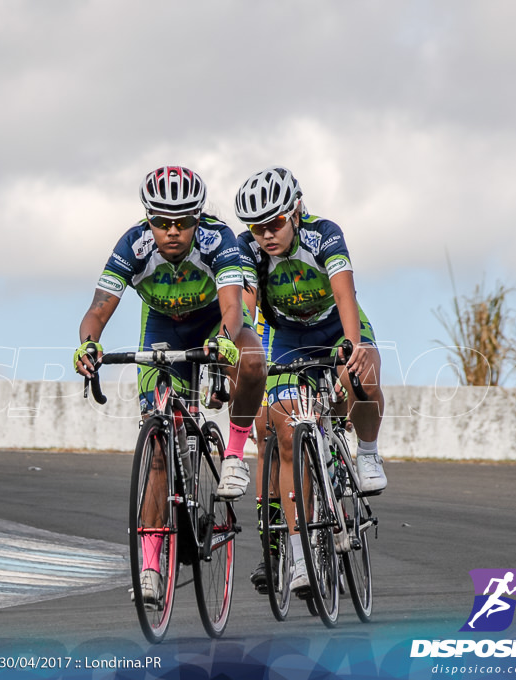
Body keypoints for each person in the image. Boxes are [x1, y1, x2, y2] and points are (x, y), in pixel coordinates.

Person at [74, 165, 266, 607]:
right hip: (162, 328)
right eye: (162, 222)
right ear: (148, 219)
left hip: (214, 320)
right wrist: (88, 345)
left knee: (251, 357)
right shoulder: (134, 244)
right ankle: (148, 568)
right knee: (158, 450)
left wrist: (222, 339)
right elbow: (98, 309)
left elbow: (235, 308)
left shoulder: (218, 239)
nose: (173, 231)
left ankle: (234, 453)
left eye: (183, 221)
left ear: (199, 217)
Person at [233, 166, 386, 596]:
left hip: (336, 326)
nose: (266, 234)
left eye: (275, 223)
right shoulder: (248, 250)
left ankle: (368, 453)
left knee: (363, 373)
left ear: (296, 212)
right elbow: (246, 308)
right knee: (284, 433)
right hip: (289, 339)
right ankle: (297, 558)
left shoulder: (325, 234)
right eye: (257, 227)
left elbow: (344, 294)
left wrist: (353, 346)